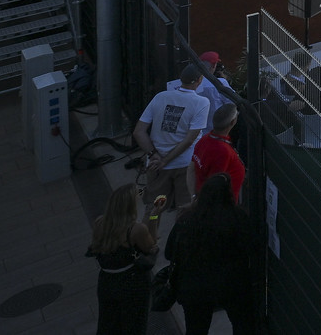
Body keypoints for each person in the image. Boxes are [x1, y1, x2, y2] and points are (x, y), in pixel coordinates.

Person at [162, 172, 256, 334]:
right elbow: (251, 248)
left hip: (195, 289)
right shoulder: (238, 218)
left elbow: (169, 252)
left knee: (196, 330)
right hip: (231, 285)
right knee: (243, 326)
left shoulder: (187, 221)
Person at [87, 184, 165, 335]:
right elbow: (151, 246)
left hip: (106, 281)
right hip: (132, 284)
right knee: (135, 324)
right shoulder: (136, 229)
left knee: (108, 323)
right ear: (131, 206)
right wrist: (155, 215)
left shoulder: (100, 222)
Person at [134, 65, 213, 208]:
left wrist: (154, 155)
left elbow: (139, 132)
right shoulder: (201, 102)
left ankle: (149, 229)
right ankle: (180, 230)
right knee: (185, 209)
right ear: (199, 80)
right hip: (184, 165)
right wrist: (165, 161)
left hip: (155, 164)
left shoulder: (160, 96)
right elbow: (189, 140)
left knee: (154, 210)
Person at [189, 104, 246, 200]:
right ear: (233, 122)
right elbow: (215, 186)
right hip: (220, 207)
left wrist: (193, 196)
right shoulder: (222, 151)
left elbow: (191, 169)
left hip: (205, 200)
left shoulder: (205, 139)